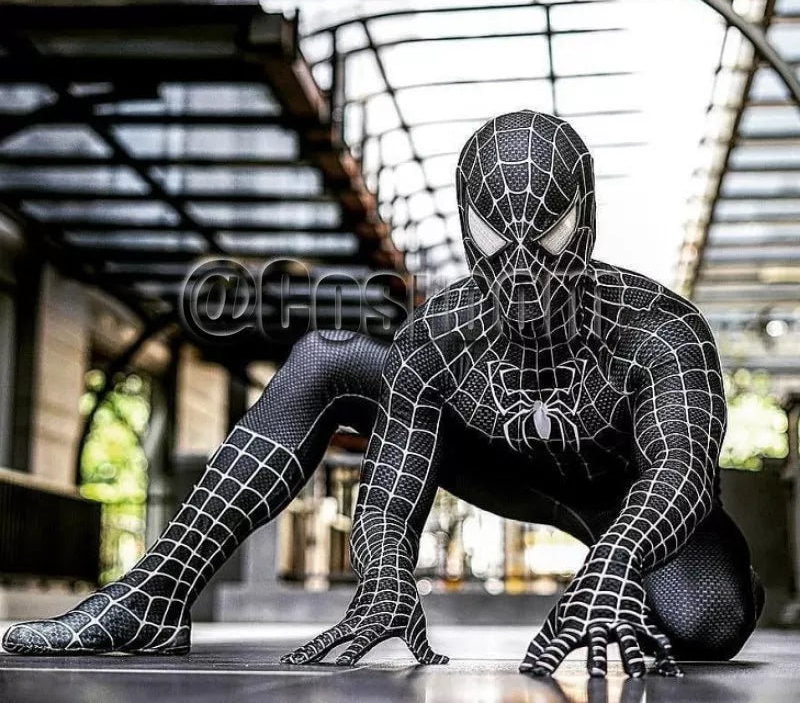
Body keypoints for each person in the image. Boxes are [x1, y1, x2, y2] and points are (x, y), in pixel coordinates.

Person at [3, 111, 762, 677]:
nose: (524, 275)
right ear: (470, 235)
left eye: (551, 238)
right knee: (328, 355)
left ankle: (679, 575)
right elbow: (392, 490)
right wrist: (385, 573)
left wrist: (616, 561)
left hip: (632, 493)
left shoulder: (661, 328)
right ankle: (154, 594)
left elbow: (682, 469)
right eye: (498, 245)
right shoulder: (440, 333)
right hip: (497, 462)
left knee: (709, 620)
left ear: (587, 223)